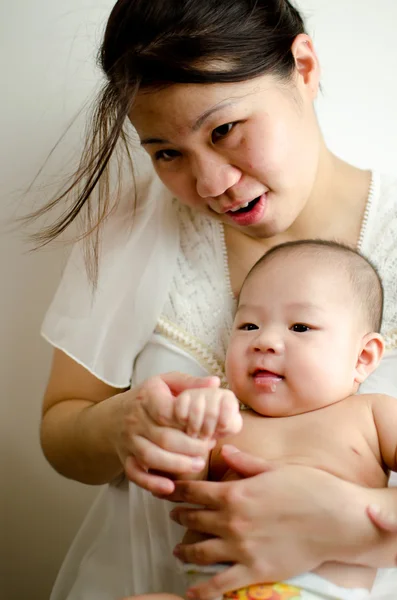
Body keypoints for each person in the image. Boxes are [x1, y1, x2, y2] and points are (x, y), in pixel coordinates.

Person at [36, 1, 397, 599]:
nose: (210, 184)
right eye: (166, 153)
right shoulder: (129, 230)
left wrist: (354, 524)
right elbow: (62, 435)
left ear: (303, 68)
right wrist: (124, 427)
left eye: (225, 130)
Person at [143, 239, 394, 600]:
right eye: (248, 326)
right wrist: (192, 427)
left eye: (300, 327)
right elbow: (177, 489)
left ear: (363, 357)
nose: (265, 341)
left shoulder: (373, 415)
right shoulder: (226, 420)